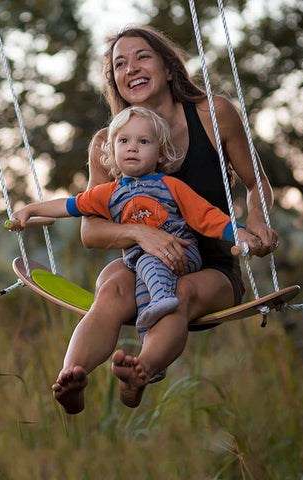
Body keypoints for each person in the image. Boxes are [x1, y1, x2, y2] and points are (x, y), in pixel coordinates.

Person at [49, 25, 278, 414]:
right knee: (109, 291)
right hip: (141, 266)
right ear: (115, 82)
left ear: (169, 68)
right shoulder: (110, 144)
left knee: (181, 295)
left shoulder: (213, 114)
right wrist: (141, 234)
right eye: (119, 64)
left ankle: (142, 371)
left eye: (142, 56)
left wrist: (256, 221)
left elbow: (257, 183)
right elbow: (90, 229)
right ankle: (72, 377)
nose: (131, 68)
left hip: (212, 267)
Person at [14, 105, 260, 355]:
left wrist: (239, 232)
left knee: (148, 266)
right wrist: (31, 210)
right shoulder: (107, 193)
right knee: (144, 302)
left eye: (143, 141)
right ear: (112, 150)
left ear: (161, 154)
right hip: (140, 263)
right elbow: (69, 205)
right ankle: (147, 360)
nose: (132, 147)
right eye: (124, 140)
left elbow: (207, 216)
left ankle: (164, 297)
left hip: (180, 254)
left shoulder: (171, 186)